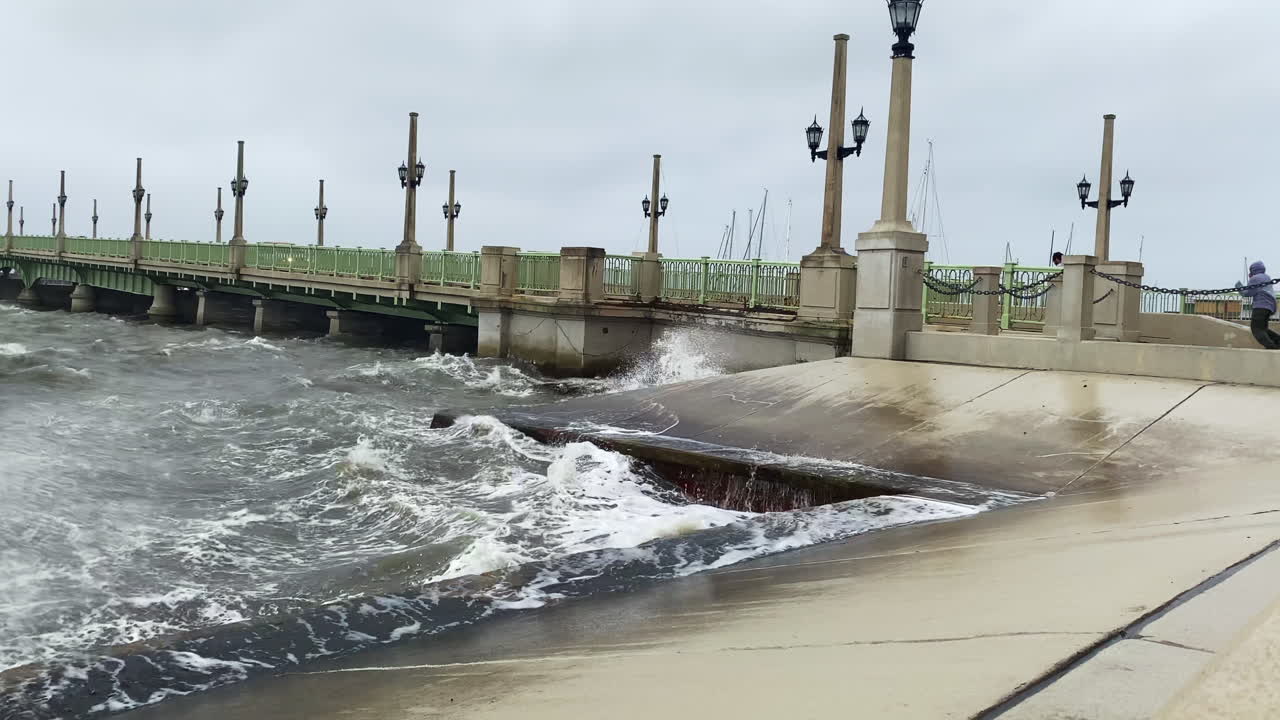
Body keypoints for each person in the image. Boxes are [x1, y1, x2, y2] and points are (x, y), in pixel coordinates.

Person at [1237, 261, 1280, 349]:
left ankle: (1272, 348)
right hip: (1269, 306)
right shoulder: (1266, 277)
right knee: (1263, 329)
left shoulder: (1255, 278)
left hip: (1261, 305)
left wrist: (1239, 286)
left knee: (1256, 329)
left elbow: (1247, 293)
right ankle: (1278, 342)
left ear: (1253, 270)